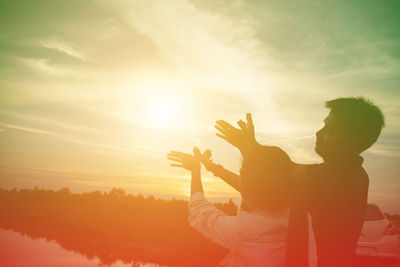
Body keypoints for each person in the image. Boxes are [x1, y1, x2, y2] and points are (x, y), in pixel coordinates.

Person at [212, 97, 385, 267]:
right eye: (324, 125)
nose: (319, 133)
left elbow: (260, 188)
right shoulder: (347, 173)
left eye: (329, 130)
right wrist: (253, 147)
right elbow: (285, 169)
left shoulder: (334, 179)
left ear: (349, 142)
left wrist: (245, 149)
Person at [167, 146, 317, 267]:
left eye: (242, 173)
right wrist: (212, 166)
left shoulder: (246, 231)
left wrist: (195, 171)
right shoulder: (307, 215)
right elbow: (265, 186)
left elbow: (200, 212)